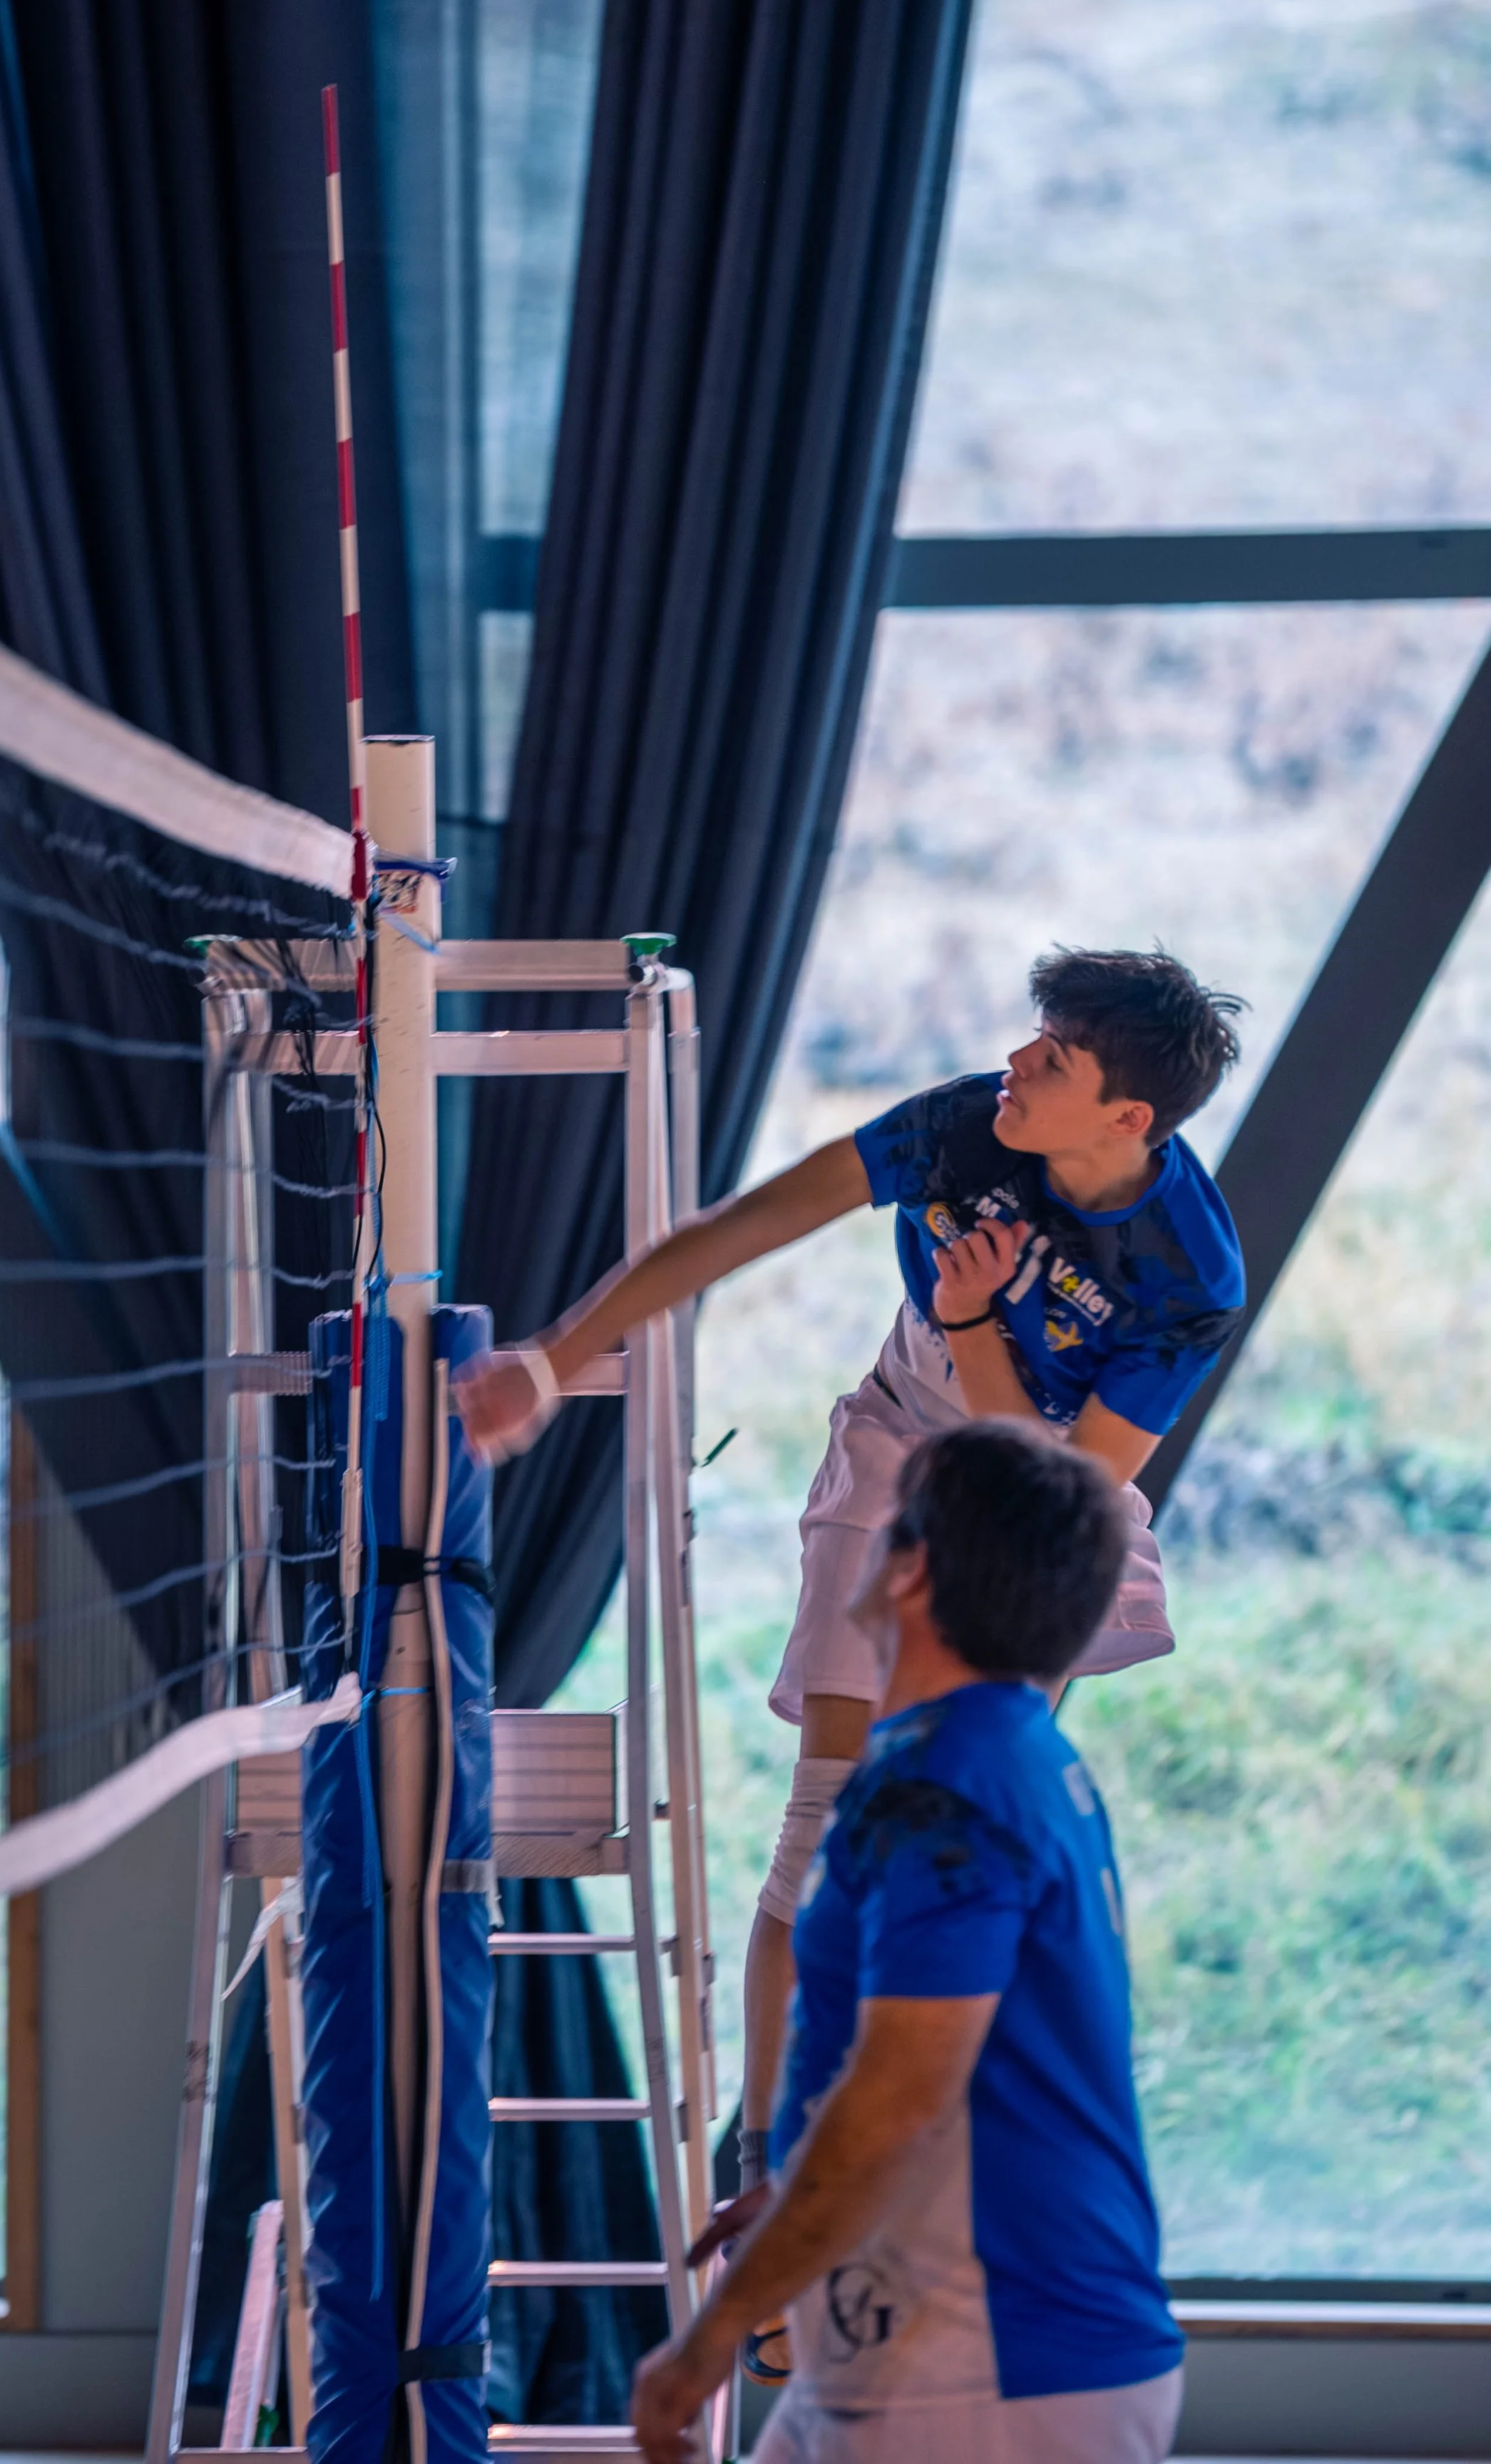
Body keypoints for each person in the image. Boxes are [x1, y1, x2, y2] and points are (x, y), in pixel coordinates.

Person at [456, 946, 1243, 2374]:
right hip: (901, 1434)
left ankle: (924, 2175)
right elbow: (741, 1228)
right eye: (1030, 1038)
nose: (1016, 1066)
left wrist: (971, 1320)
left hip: (1044, 1496)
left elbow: (1059, 1490)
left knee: (954, 1824)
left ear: (1127, 1120)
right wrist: (555, 1359)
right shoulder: (963, 1129)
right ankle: (767, 2168)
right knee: (820, 1840)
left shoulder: (1186, 1273)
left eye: (1053, 1061)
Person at [629, 1422, 1184, 2464]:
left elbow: (898, 2098)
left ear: (913, 1569)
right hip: (947, 2344)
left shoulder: (947, 1786)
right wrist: (804, 2189)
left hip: (987, 2362)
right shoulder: (1004, 1756)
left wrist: (708, 2339)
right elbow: (966, 2068)